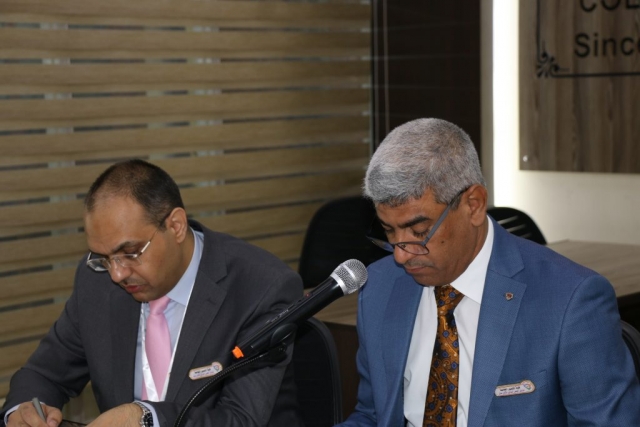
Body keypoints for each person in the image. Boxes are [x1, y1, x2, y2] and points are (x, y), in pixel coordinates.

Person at [338, 118, 640, 426]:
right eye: (389, 231)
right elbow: (372, 415)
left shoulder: (569, 299)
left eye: (419, 231)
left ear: (474, 205)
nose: (401, 255)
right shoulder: (381, 286)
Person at [1, 159, 304, 427]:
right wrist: (23, 411)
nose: (117, 274)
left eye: (130, 252)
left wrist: (147, 419)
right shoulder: (96, 280)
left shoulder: (262, 288)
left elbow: (241, 419)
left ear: (176, 226)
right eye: (103, 257)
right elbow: (44, 374)